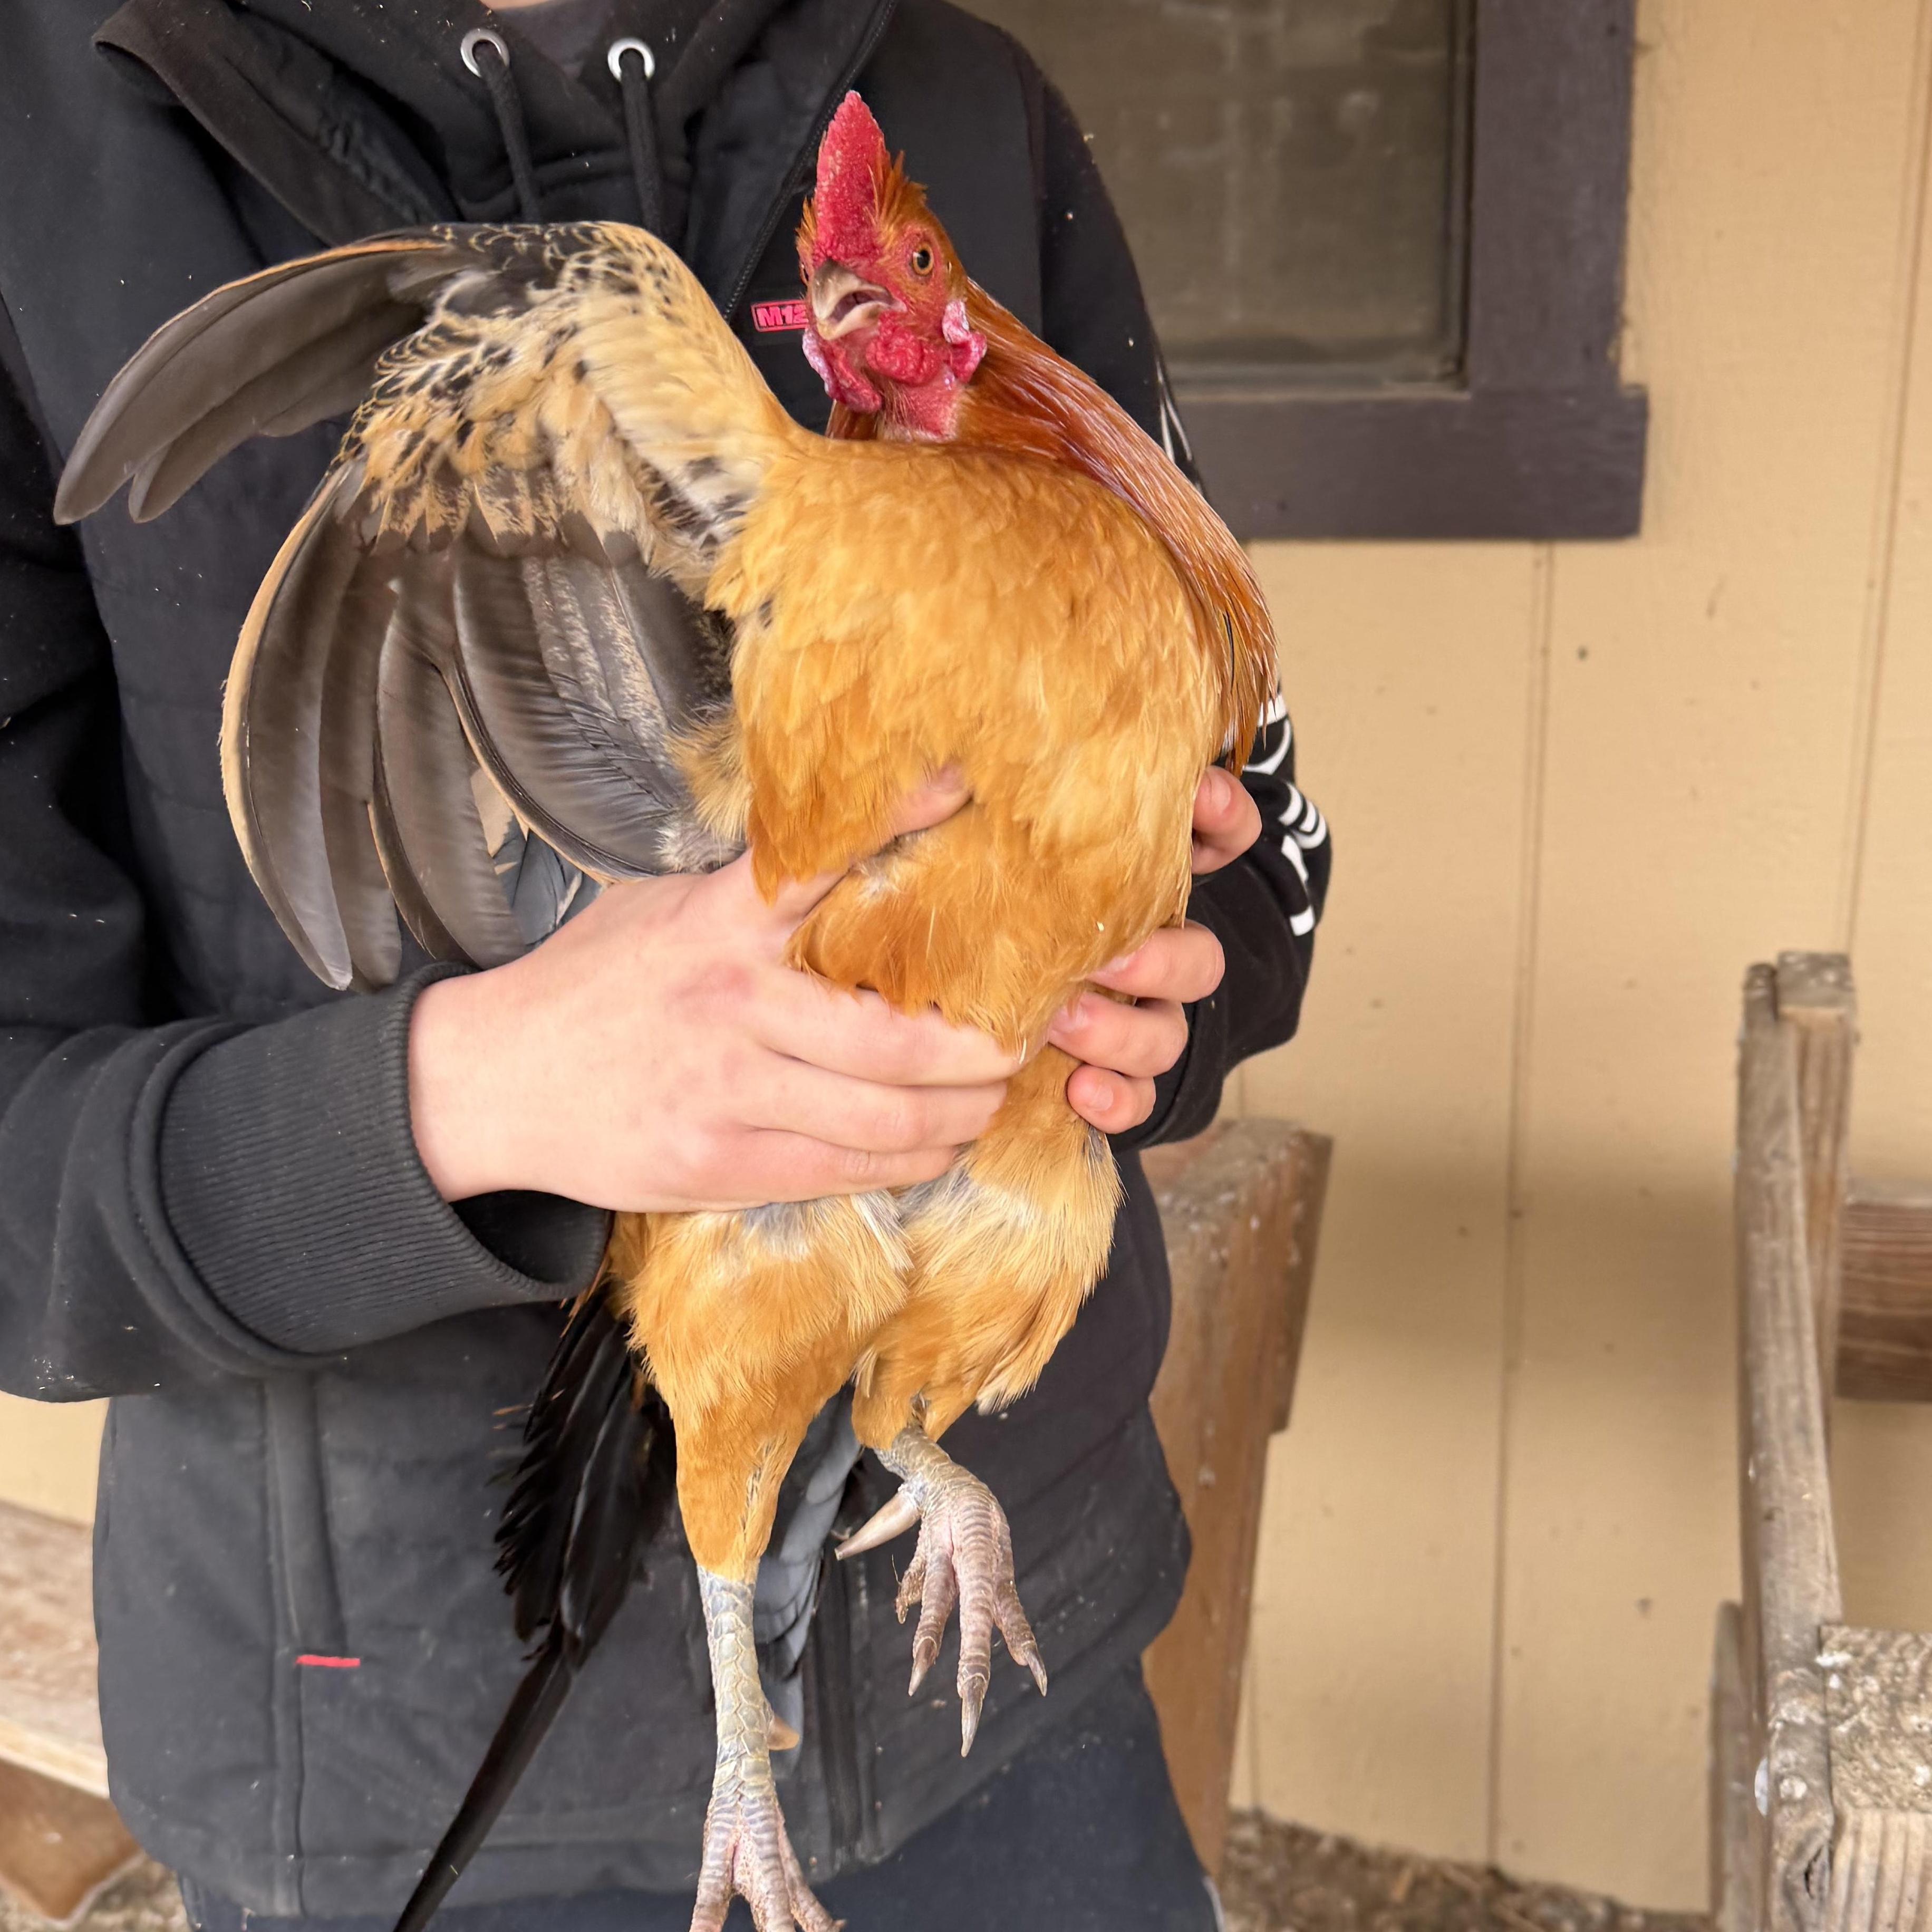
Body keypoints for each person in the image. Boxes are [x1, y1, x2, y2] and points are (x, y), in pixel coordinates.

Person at [0, 0, 1330, 1926]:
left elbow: (1267, 862)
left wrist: (1155, 972)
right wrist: (477, 1091)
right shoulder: (45, 157)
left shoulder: (961, 95)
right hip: (402, 1775)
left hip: (1012, 1675)